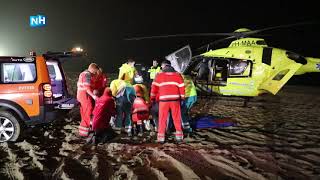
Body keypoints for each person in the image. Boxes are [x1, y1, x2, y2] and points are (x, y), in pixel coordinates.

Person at [150, 60, 185, 144]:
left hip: (163, 101)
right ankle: (179, 136)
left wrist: (152, 98)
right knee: (176, 117)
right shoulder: (178, 75)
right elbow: (182, 88)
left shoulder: (159, 75)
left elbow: (154, 88)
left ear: (164, 66)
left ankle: (161, 138)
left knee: (162, 118)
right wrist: (182, 98)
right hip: (175, 100)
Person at [77, 63, 99, 137]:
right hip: (84, 95)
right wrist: (93, 96)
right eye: (95, 71)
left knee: (84, 112)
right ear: (93, 68)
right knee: (87, 112)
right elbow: (87, 87)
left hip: (81, 95)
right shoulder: (87, 75)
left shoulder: (83, 73)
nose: (95, 73)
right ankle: (84, 133)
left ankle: (83, 131)